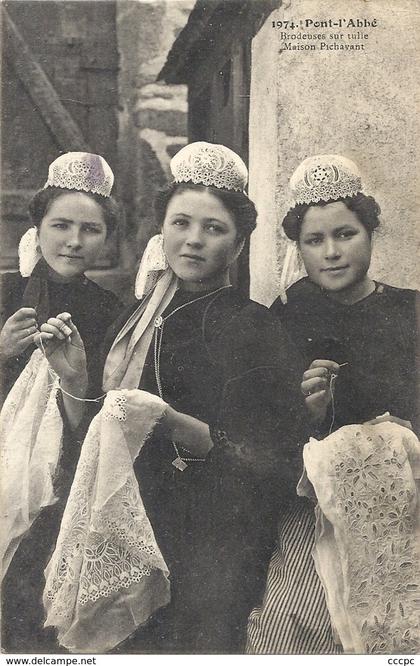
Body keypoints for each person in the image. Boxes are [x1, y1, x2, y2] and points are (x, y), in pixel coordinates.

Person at [37, 142, 307, 654]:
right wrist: (74, 382)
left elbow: (273, 463)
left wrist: (172, 423)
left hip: (209, 545)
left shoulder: (253, 328)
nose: (193, 241)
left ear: (240, 242)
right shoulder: (133, 319)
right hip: (128, 529)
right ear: (162, 230)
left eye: (214, 228)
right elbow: (91, 440)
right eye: (181, 223)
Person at [247, 154, 419, 654]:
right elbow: (263, 440)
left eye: (346, 234)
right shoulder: (282, 321)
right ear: (298, 249)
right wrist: (309, 416)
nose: (332, 253)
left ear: (371, 232)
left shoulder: (408, 310)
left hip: (406, 503)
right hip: (312, 508)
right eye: (314, 241)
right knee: (287, 627)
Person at [1, 152, 123, 652]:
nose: (74, 241)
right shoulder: (7, 292)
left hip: (63, 476)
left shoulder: (112, 312)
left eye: (90, 230)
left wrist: (76, 376)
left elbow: (99, 415)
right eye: (61, 225)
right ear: (38, 226)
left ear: (106, 238)